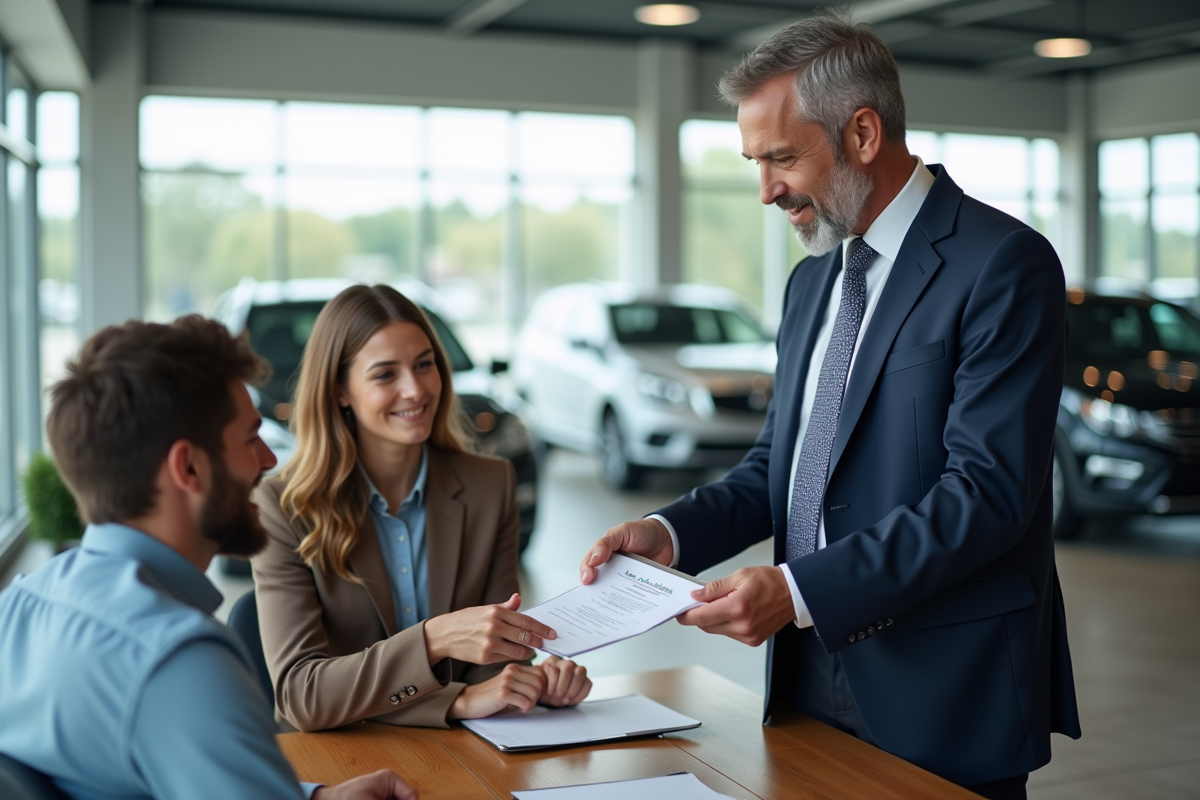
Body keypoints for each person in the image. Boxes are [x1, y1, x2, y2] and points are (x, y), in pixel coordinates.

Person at [579, 14, 1080, 800]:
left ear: (865, 133)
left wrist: (799, 590)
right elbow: (780, 463)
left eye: (781, 158)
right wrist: (671, 533)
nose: (766, 191)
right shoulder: (812, 281)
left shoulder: (1002, 265)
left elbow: (988, 496)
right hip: (807, 668)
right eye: (754, 162)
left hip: (943, 684)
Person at [0, 316, 417, 800]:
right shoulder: (181, 659)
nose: (269, 460)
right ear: (189, 467)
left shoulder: (17, 607)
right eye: (249, 439)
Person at [251, 284, 590, 732]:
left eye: (425, 365)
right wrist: (440, 655)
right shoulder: (283, 506)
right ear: (339, 391)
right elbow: (303, 696)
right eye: (385, 374)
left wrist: (531, 681)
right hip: (341, 759)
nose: (415, 390)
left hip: (462, 755)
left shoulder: (490, 485)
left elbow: (493, 664)